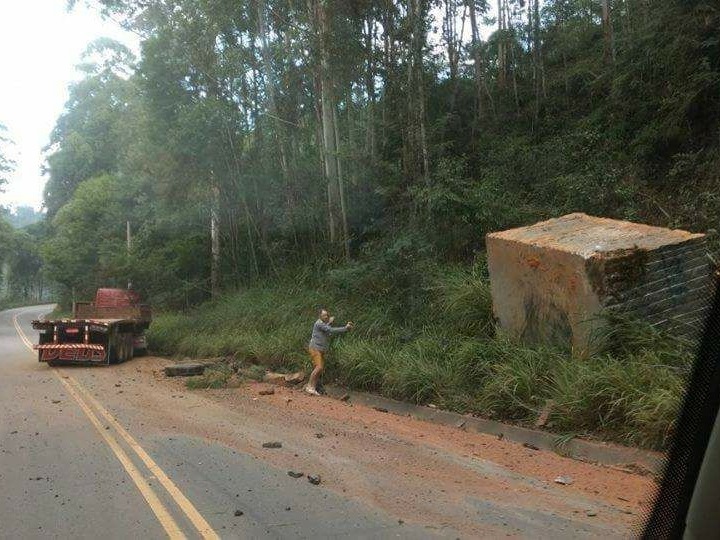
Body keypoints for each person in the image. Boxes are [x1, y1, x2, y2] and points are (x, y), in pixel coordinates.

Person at [305, 309, 353, 396]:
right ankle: (309, 386)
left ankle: (313, 387)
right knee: (319, 367)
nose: (326, 316)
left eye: (327, 315)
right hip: (315, 348)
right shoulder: (319, 323)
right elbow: (330, 330)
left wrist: (329, 323)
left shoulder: (323, 324)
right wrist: (345, 328)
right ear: (320, 316)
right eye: (324, 315)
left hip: (320, 349)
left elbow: (326, 330)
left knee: (320, 368)